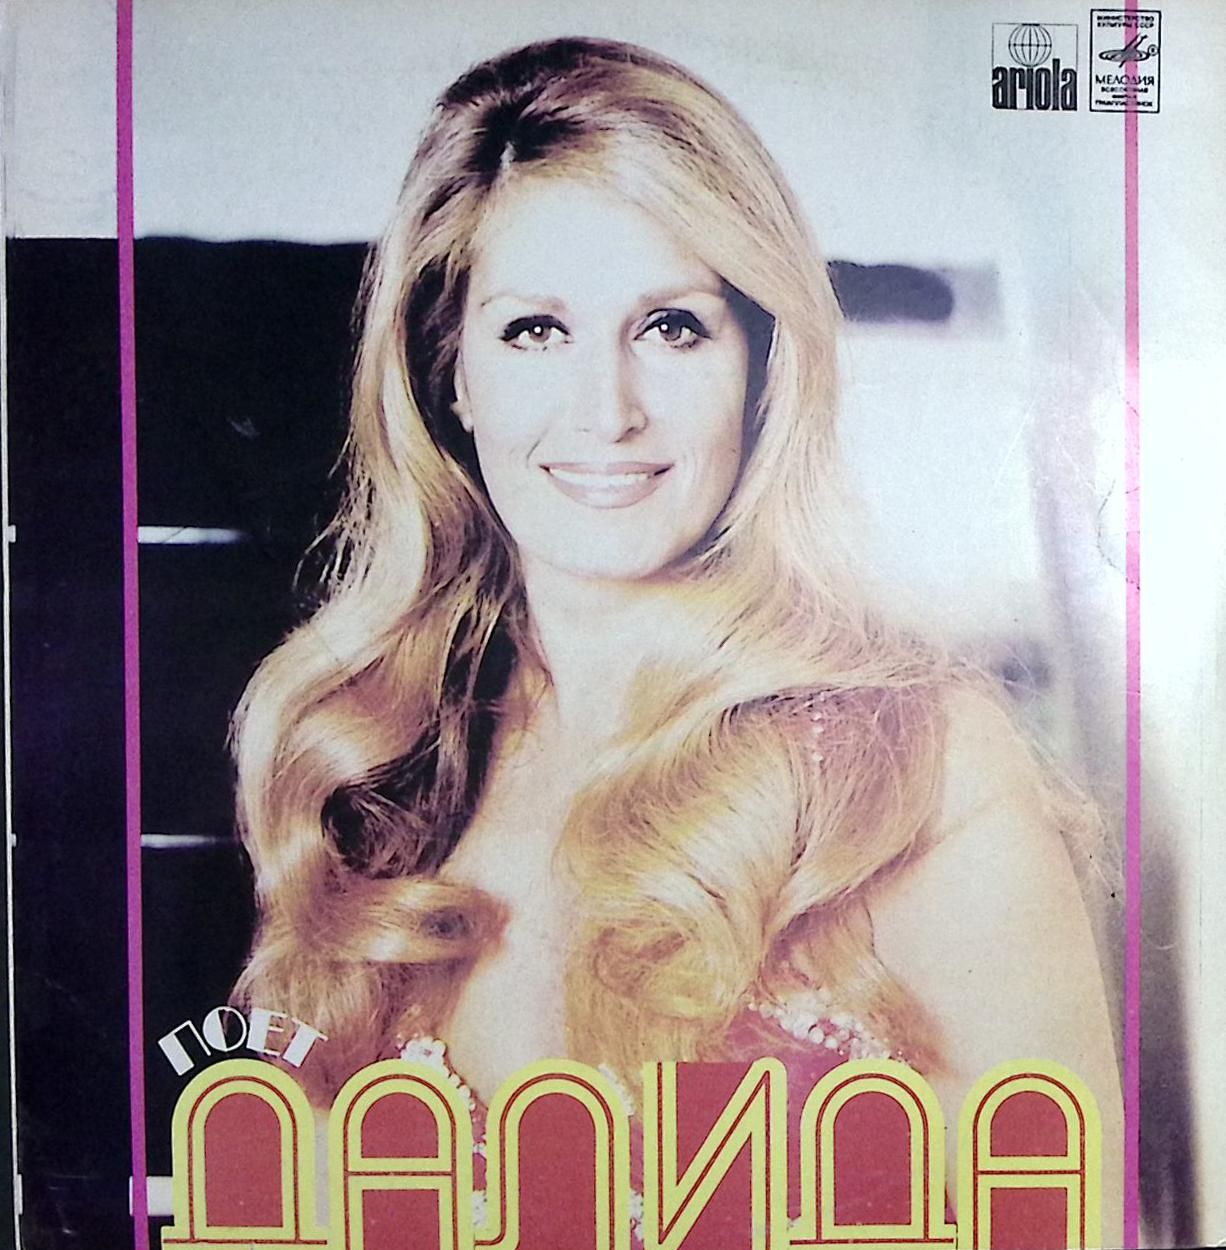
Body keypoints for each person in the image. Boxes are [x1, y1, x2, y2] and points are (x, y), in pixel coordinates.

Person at [230, 35, 1121, 1233]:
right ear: (452, 375)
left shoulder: (914, 763)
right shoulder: (369, 766)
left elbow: (1057, 1220)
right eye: (534, 329)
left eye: (671, 327)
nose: (607, 412)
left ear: (758, 364)